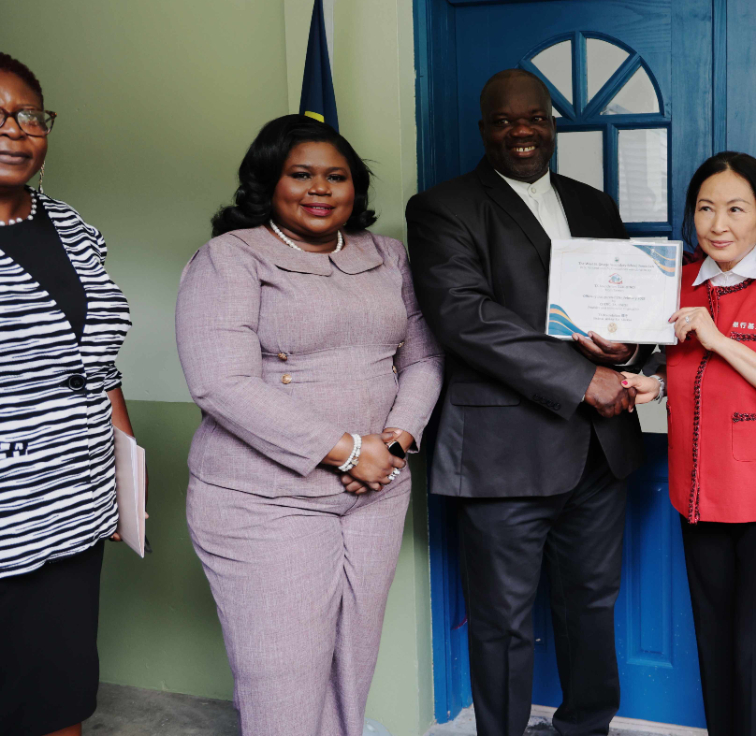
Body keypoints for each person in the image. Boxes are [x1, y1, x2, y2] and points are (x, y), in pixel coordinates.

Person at [175, 115, 443, 736]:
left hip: (377, 491)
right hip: (264, 499)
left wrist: (395, 442)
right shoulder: (230, 258)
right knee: (284, 679)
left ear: (355, 187)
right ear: (268, 181)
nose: (319, 189)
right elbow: (220, 382)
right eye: (301, 175)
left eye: (336, 176)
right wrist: (347, 451)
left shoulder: (386, 255)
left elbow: (424, 359)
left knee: (353, 664)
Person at [406, 69, 646, 736]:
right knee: (503, 620)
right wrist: (583, 379)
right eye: (505, 120)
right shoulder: (442, 207)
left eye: (534, 118)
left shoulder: (594, 204)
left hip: (599, 451)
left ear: (551, 123)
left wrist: (627, 350)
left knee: (592, 604)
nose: (521, 132)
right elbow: (466, 316)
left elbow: (628, 302)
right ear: (484, 129)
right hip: (502, 456)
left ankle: (586, 728)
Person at [622, 152, 756, 736]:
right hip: (698, 498)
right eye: (705, 208)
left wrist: (719, 339)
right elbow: (682, 371)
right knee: (715, 648)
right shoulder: (676, 284)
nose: (718, 224)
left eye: (736, 209)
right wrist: (652, 382)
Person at [0, 53, 134, 736]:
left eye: (29, 115)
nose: (14, 130)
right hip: (6, 508)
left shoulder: (71, 225)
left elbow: (99, 365)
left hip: (74, 501)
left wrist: (123, 474)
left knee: (59, 688)